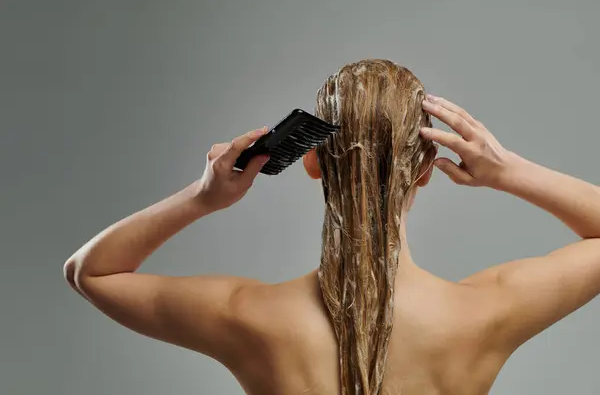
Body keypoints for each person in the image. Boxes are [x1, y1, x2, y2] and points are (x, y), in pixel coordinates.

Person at [63, 59, 600, 395]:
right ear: (425, 171)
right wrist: (511, 172)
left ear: (312, 161)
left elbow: (92, 273)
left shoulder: (251, 317)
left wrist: (203, 197)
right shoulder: (486, 312)